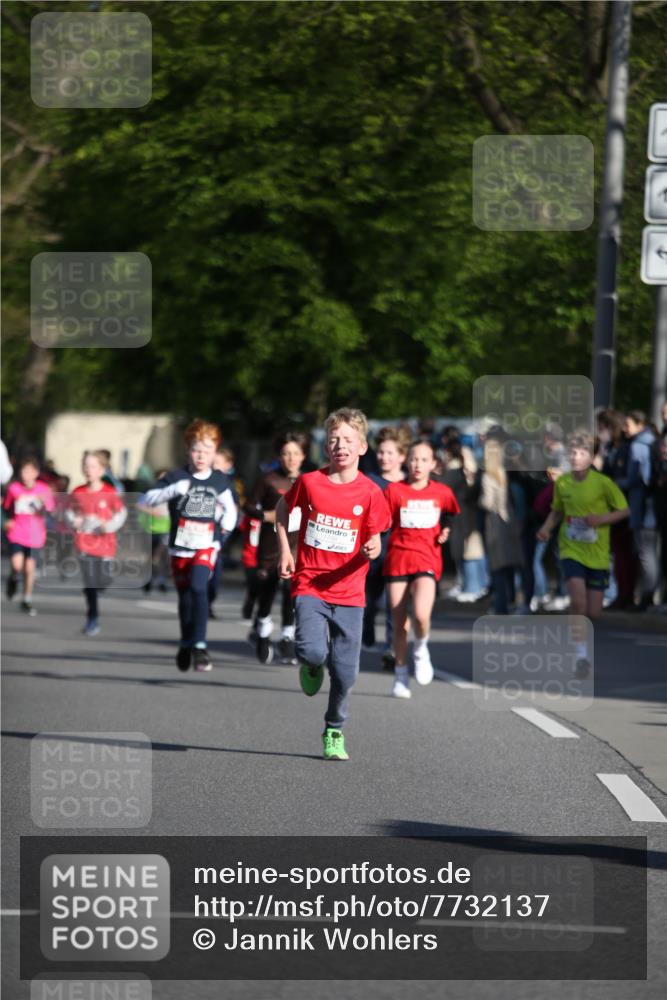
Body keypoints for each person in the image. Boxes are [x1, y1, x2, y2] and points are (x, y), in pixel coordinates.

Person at [275, 408, 391, 761]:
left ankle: (334, 729)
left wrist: (375, 546)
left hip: (351, 593)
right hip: (310, 582)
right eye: (334, 440)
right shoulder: (310, 483)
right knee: (312, 651)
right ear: (327, 447)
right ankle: (312, 663)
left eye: (348, 440)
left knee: (345, 673)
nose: (340, 445)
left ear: (362, 447)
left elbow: (377, 535)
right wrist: (286, 550)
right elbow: (282, 511)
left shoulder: (371, 492)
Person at [141, 420, 237, 672]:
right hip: (180, 546)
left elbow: (231, 510)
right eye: (196, 449)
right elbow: (146, 498)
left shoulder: (219, 480)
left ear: (215, 452)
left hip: (207, 544)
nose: (201, 455)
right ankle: (186, 642)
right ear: (187, 451)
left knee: (198, 587)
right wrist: (173, 490)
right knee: (185, 598)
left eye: (207, 449)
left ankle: (201, 646)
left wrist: (223, 533)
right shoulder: (176, 476)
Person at [537, 430, 630, 676]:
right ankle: (580, 655)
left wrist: (600, 518)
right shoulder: (564, 482)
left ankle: (579, 636)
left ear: (591, 456)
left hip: (597, 552)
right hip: (571, 548)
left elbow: (624, 510)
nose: (576, 457)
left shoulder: (603, 483)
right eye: (573, 453)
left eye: (582, 453)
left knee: (593, 612)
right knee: (577, 601)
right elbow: (557, 511)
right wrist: (546, 529)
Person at [382, 440, 459, 699]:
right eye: (413, 459)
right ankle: (401, 674)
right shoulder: (394, 491)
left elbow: (449, 513)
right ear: (407, 461)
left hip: (427, 558)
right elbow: (382, 521)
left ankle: (421, 648)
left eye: (423, 460)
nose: (417, 464)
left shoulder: (442, 492)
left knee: (422, 616)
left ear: (433, 464)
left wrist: (445, 529)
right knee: (399, 623)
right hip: (398, 559)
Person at [244, 432, 308, 663]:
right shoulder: (268, 479)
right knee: (267, 591)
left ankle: (287, 638)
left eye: (295, 454)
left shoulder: (308, 481)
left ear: (303, 456)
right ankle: (262, 632)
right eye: (286, 453)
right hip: (271, 545)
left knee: (292, 592)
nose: (290, 458)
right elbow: (248, 506)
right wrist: (266, 515)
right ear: (280, 456)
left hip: (297, 545)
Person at [67, 451, 127, 635]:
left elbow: (121, 514)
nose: (88, 469)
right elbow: (69, 512)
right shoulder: (78, 492)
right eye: (85, 466)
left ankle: (101, 581)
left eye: (93, 466)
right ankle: (92, 618)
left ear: (102, 470)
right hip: (84, 543)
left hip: (104, 544)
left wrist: (108, 526)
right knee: (90, 583)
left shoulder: (109, 493)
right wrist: (73, 521)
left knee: (102, 581)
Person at [362, 426, 408, 662]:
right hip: (375, 548)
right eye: (381, 452)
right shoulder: (370, 481)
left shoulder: (411, 482)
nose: (384, 457)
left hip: (400, 551)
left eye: (390, 453)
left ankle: (391, 646)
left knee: (395, 602)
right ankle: (367, 622)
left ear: (402, 456)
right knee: (372, 599)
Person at [617, 411, 659, 611]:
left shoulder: (639, 445)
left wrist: (616, 483)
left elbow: (640, 477)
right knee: (646, 552)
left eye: (628, 424)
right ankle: (647, 594)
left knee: (645, 552)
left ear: (639, 424)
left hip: (642, 506)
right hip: (649, 504)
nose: (625, 429)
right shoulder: (652, 441)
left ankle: (647, 596)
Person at [3, 456, 55, 615]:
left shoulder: (43, 489)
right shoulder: (14, 489)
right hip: (17, 532)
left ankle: (26, 599)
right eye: (23, 471)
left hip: (35, 535)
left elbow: (51, 509)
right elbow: (6, 507)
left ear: (36, 473)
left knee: (29, 568)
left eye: (29, 471)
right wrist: (6, 521)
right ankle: (13, 579)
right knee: (17, 565)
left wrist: (44, 502)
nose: (26, 475)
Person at [479, 438, 524, 615]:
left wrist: (479, 501)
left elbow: (488, 502)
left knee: (497, 566)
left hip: (495, 523)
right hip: (509, 522)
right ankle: (512, 600)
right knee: (509, 566)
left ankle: (500, 605)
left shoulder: (488, 476)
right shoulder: (505, 472)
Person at [136, 469, 171, 593]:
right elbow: (139, 505)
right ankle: (149, 579)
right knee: (151, 557)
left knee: (163, 556)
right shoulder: (151, 493)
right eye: (161, 479)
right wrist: (152, 511)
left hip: (166, 529)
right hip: (150, 528)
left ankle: (162, 580)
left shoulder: (174, 493)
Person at [239, 512, 261, 622]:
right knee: (253, 584)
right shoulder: (251, 514)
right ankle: (249, 604)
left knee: (263, 588)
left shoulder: (275, 514)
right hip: (250, 556)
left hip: (266, 557)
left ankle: (259, 616)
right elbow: (241, 529)